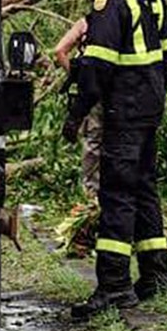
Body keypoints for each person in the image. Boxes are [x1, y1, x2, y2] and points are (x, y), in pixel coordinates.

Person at [61, 0, 167, 318]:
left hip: (123, 112)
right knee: (144, 189)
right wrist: (154, 97)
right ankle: (156, 276)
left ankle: (113, 287)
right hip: (148, 108)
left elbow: (97, 65)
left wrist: (75, 116)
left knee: (117, 194)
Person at [52, 16, 100, 201]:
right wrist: (77, 75)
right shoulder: (89, 23)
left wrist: (78, 76)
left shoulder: (87, 22)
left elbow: (59, 50)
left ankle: (91, 190)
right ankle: (91, 192)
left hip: (91, 89)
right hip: (108, 89)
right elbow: (59, 50)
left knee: (93, 140)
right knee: (97, 138)